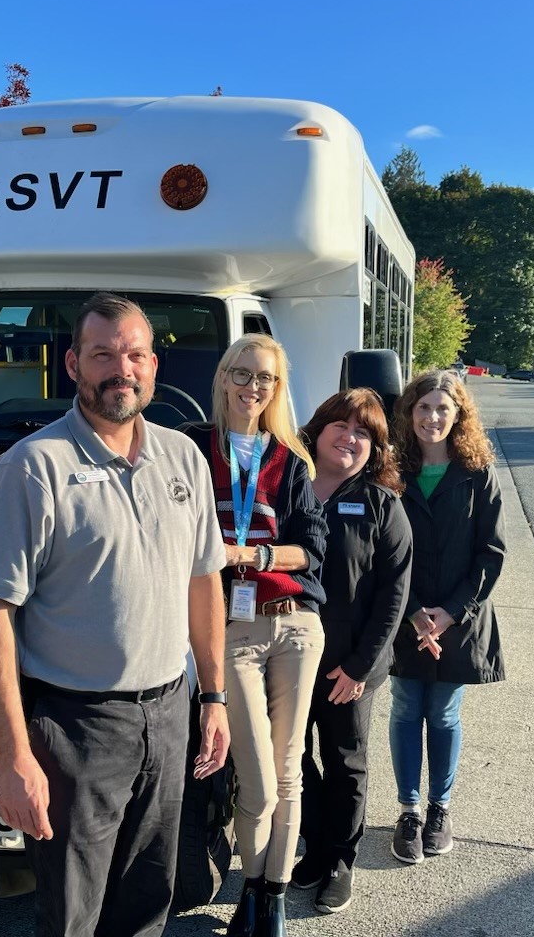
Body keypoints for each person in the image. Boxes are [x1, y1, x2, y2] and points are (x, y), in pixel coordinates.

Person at [0, 292, 229, 937]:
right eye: (103, 354)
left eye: (135, 353)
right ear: (72, 365)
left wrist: (214, 696)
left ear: (154, 364)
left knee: (148, 897)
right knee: (72, 912)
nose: (123, 369)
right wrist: (12, 754)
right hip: (74, 725)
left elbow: (204, 583)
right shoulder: (34, 467)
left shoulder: (184, 458)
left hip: (167, 714)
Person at [186, 334, 327, 937]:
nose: (252, 387)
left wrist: (248, 550)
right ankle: (252, 883)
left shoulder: (292, 460)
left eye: (265, 378)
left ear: (277, 387)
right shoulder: (192, 449)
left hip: (294, 625)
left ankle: (267, 901)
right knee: (260, 780)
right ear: (222, 379)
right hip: (231, 629)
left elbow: (312, 551)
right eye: (242, 374)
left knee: (290, 768)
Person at [291, 388, 412, 914]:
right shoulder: (284, 491)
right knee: (292, 760)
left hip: (348, 667)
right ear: (317, 431)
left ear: (375, 449)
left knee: (344, 762)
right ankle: (313, 848)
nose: (350, 437)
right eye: (341, 425)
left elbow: (394, 595)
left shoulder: (383, 507)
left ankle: (341, 859)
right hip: (285, 662)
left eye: (364, 433)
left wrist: (360, 666)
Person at [387, 369, 507, 865]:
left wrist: (451, 613)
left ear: (459, 415)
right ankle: (409, 811)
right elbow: (382, 550)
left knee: (443, 712)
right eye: (424, 407)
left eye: (443, 408)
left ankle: (439, 807)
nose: (432, 417)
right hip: (403, 615)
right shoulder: (391, 469)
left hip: (460, 617)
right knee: (406, 708)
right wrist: (415, 613)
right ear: (410, 412)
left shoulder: (477, 472)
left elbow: (492, 551)